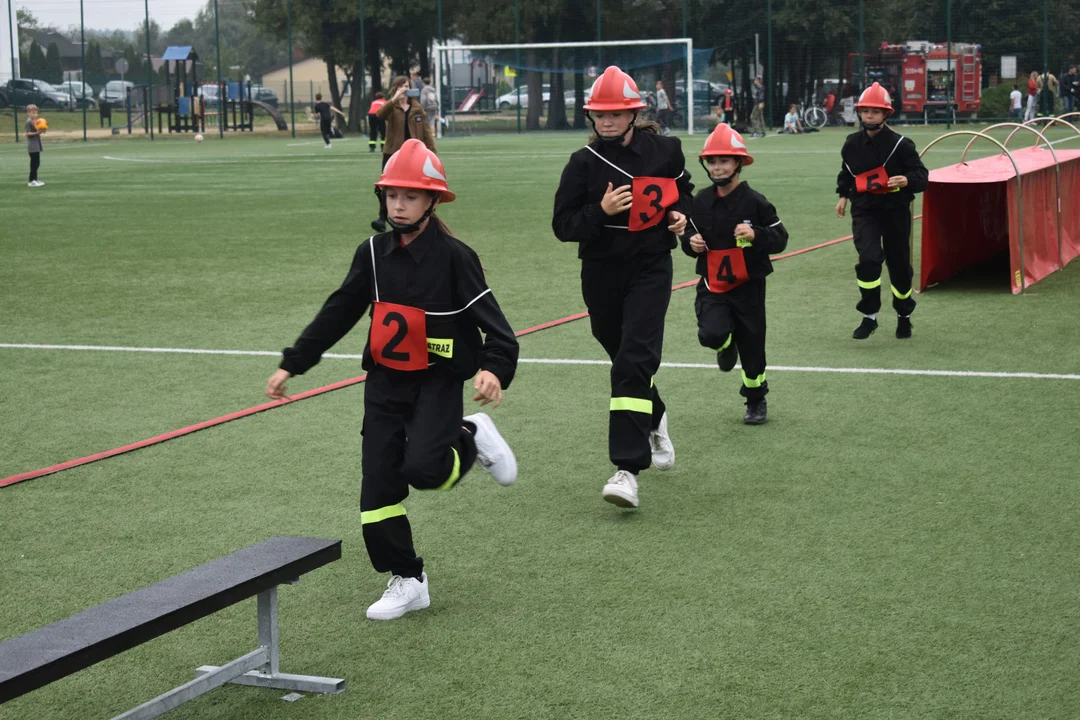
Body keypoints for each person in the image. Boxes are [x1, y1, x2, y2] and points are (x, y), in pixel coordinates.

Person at [267, 139, 520, 621]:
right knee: (378, 486)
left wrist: (493, 369)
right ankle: (408, 578)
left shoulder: (455, 257)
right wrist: (293, 362)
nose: (398, 205)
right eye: (391, 195)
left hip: (438, 382)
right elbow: (338, 310)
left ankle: (471, 434)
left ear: (432, 201)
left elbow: (499, 331)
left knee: (427, 471)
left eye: (410, 195)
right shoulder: (372, 253)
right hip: (384, 384)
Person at [551, 65, 693, 510]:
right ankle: (653, 410)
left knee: (632, 360)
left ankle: (627, 469)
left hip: (651, 268)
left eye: (616, 114)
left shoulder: (666, 150)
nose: (607, 122)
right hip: (601, 273)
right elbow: (563, 225)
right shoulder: (582, 163)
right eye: (600, 114)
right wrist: (600, 209)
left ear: (635, 113)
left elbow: (683, 193)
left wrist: (681, 217)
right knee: (620, 355)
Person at [682, 124, 788, 425]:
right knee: (711, 333)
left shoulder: (755, 201)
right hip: (712, 284)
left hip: (749, 286)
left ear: (739, 163)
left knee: (753, 348)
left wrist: (756, 234)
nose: (717, 167)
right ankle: (725, 345)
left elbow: (780, 238)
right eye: (712, 161)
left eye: (724, 161)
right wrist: (690, 241)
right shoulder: (700, 200)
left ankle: (756, 400)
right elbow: (689, 234)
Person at [834, 82, 929, 340]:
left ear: (887, 114)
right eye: (865, 111)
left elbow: (922, 175)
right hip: (865, 211)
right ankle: (869, 316)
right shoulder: (851, 144)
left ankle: (904, 315)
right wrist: (843, 196)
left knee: (899, 267)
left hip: (896, 212)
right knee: (869, 260)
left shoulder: (902, 145)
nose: (869, 116)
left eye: (875, 111)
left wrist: (906, 180)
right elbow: (847, 174)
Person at [372, 76, 437, 232]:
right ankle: (383, 218)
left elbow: (426, 131)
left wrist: (432, 154)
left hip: (415, 154)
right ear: (395, 89)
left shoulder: (417, 108)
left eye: (406, 86)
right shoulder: (392, 108)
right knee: (388, 188)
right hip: (393, 153)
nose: (404, 89)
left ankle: (423, 216)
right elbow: (380, 114)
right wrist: (395, 98)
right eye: (401, 87)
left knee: (418, 187)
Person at [24, 105, 45, 187]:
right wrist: (37, 133)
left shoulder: (36, 121)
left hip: (37, 144)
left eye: (36, 113)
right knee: (34, 163)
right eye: (33, 113)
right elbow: (27, 133)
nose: (35, 115)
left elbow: (39, 129)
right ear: (28, 113)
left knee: (37, 163)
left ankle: (35, 179)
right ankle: (31, 180)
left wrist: (43, 129)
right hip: (32, 145)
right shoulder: (28, 122)